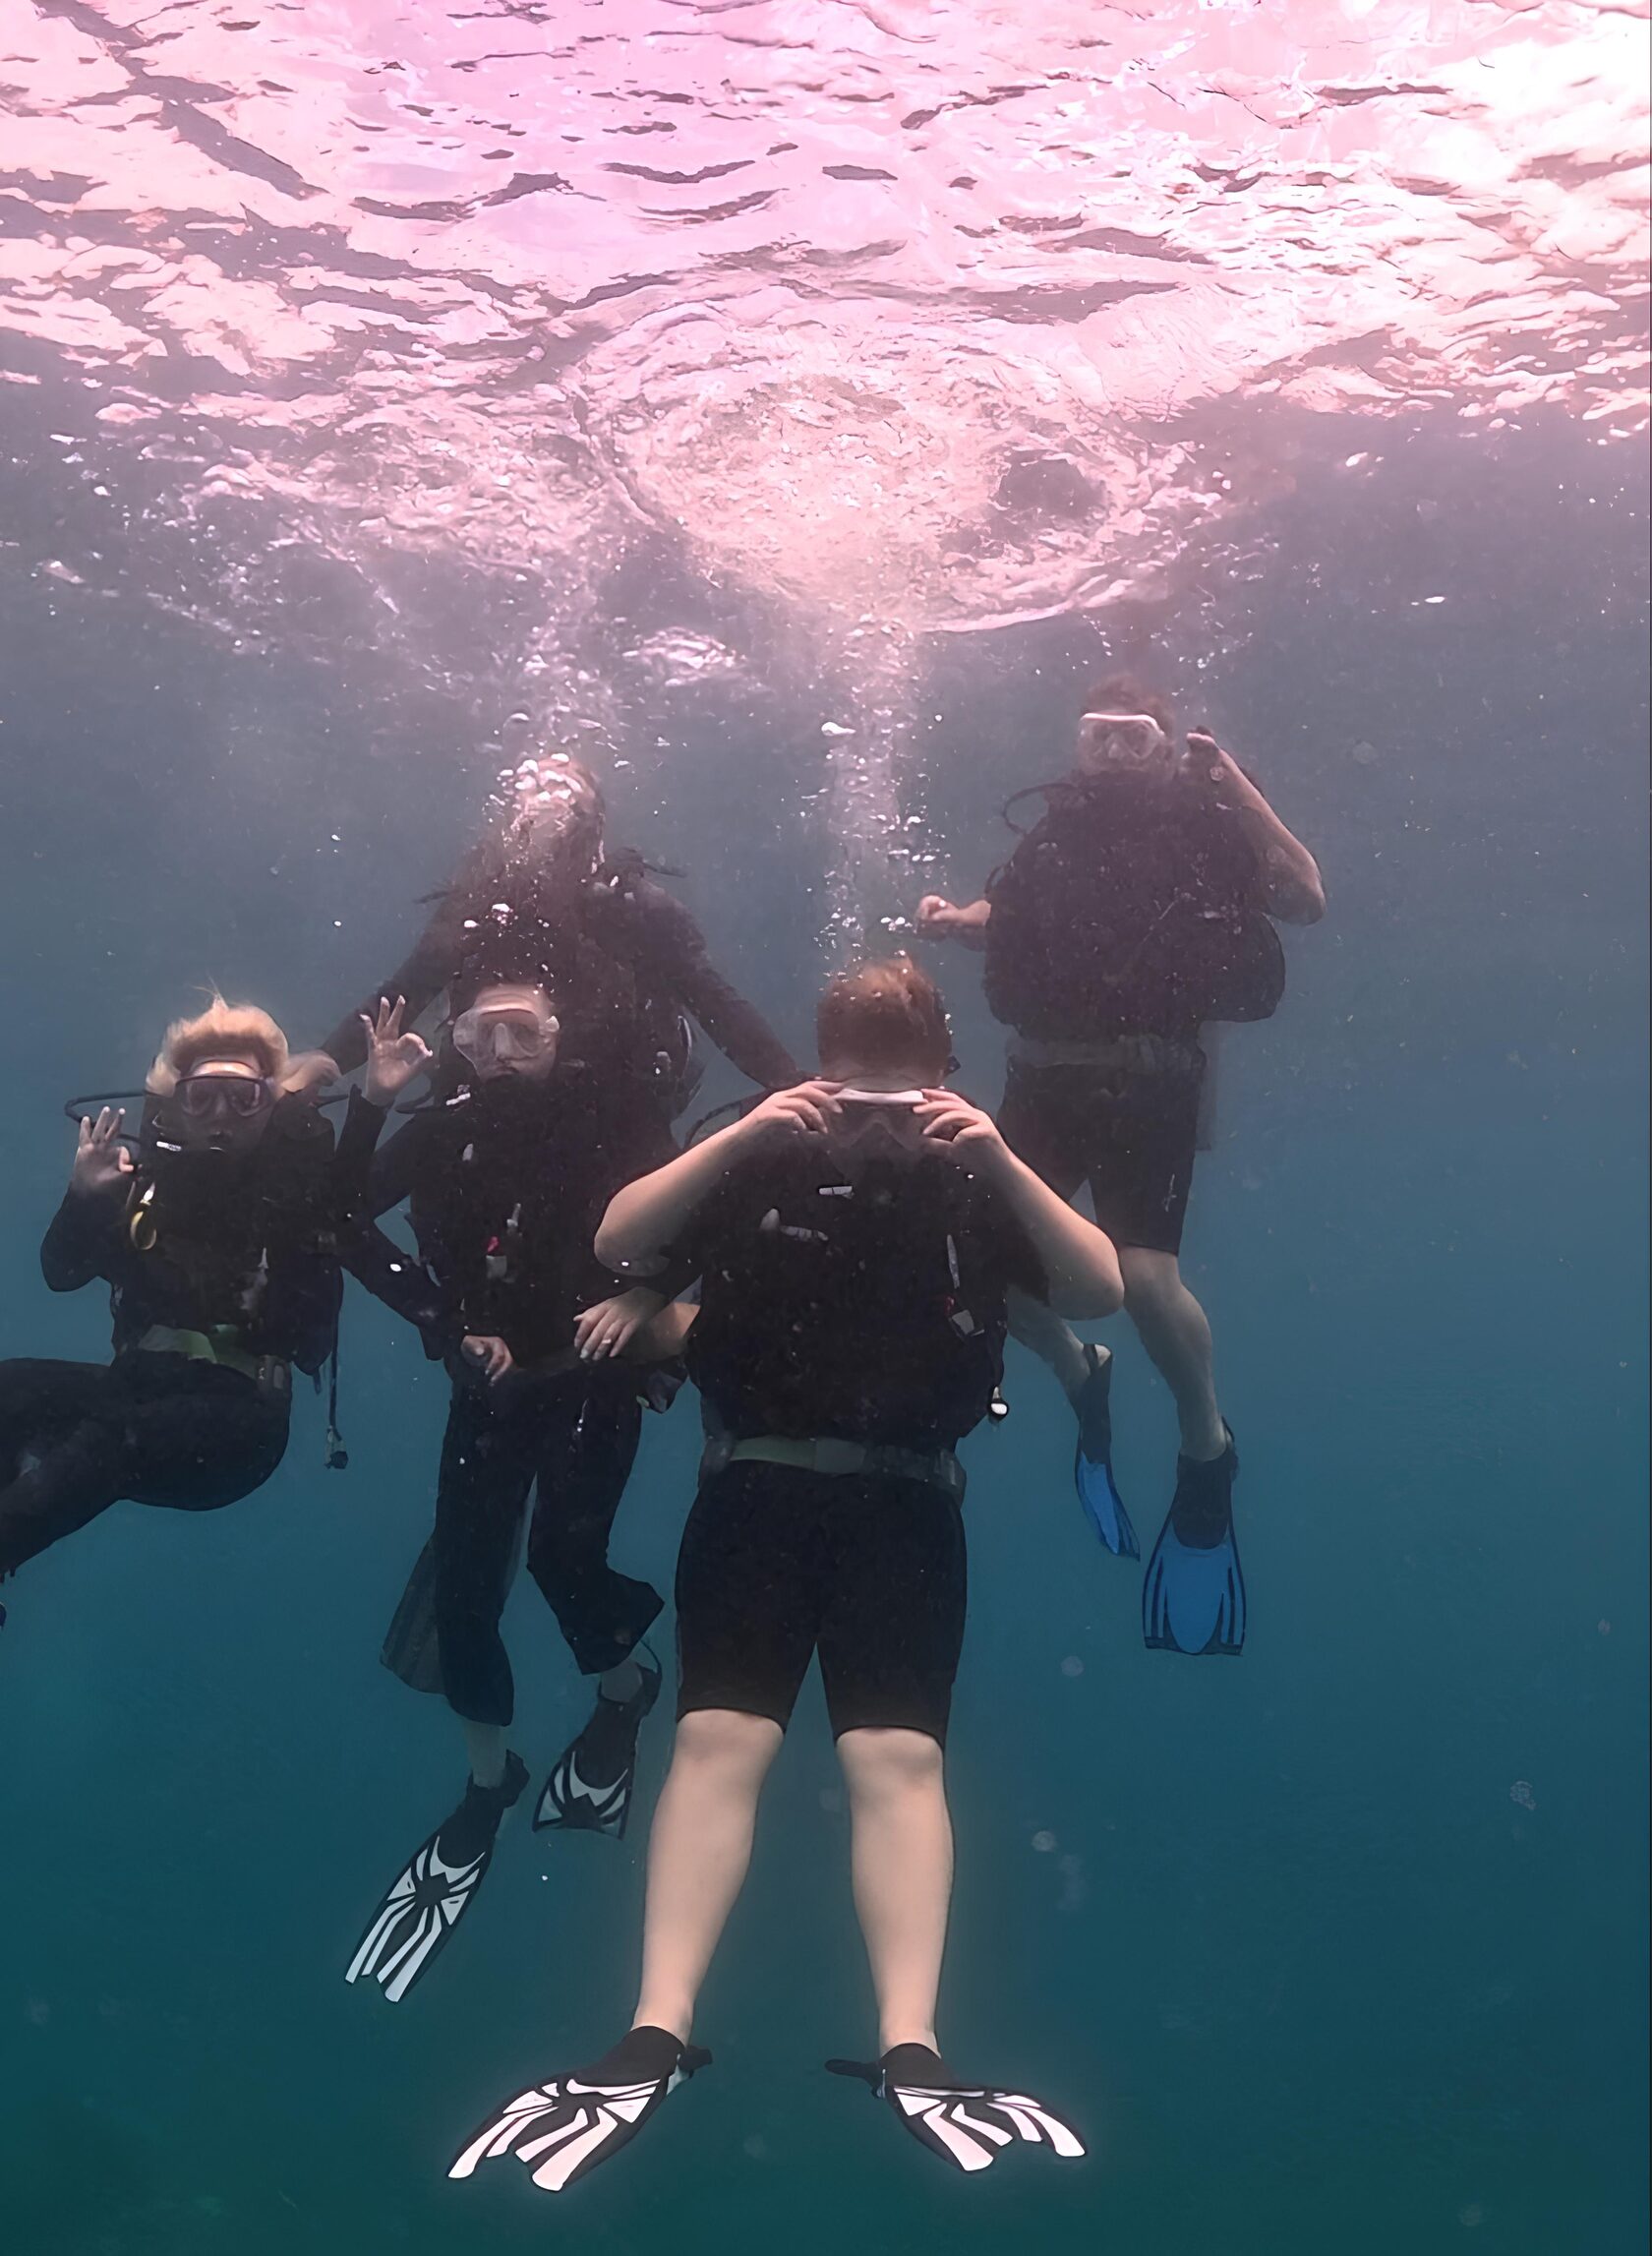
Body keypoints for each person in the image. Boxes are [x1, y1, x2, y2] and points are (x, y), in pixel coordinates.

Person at [447, 957, 1124, 2191]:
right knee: (719, 1744)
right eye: (848, 1098)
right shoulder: (765, 1152)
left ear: (940, 1086)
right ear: (820, 1076)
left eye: (897, 1103)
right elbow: (618, 1233)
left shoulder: (972, 1181)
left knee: (897, 1760)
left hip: (907, 1507)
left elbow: (1100, 1287)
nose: (870, 1130)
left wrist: (997, 1157)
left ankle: (911, 2042)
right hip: (754, 1489)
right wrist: (755, 1126)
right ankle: (656, 2026)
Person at [918, 678, 1325, 1658]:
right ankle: (1075, 1366)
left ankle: (1204, 1445)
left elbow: (1305, 894)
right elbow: (1007, 916)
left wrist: (1233, 783)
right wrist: (951, 917)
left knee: (1145, 1279)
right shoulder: (1052, 832)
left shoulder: (1210, 822)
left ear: (1165, 746)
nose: (1110, 754)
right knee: (969, 1256)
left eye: (1132, 738)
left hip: (1154, 1082)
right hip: (1043, 1079)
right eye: (1097, 735)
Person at [342, 972, 693, 2005]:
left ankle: (628, 1688)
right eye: (481, 1033)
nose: (500, 1050)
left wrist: (643, 1294)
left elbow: (711, 1216)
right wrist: (440, 1322)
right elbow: (337, 1216)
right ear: (455, 1043)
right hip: (487, 1378)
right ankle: (489, 1777)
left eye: (522, 1030)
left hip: (595, 1373)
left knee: (560, 1558)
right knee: (462, 1593)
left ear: (557, 1034)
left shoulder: (616, 1119)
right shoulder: (440, 1127)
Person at [0, 998, 373, 1614]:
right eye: (201, 1098)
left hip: (237, 1423)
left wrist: (362, 1104)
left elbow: (342, 1207)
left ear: (273, 1106)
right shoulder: (145, 1185)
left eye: (244, 1098)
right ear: (175, 1106)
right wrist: (85, 1197)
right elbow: (60, 1274)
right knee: (9, 1389)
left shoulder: (298, 1188)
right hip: (137, 1390)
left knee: (109, 1441)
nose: (221, 1116)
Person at [318, 728, 799, 1115]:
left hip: (614, 1110)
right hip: (490, 1103)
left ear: (597, 828)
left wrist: (791, 1085)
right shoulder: (475, 910)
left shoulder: (635, 909)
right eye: (537, 795)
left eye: (569, 796)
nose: (549, 808)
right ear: (512, 824)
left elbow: (715, 1002)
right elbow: (405, 991)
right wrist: (323, 1065)